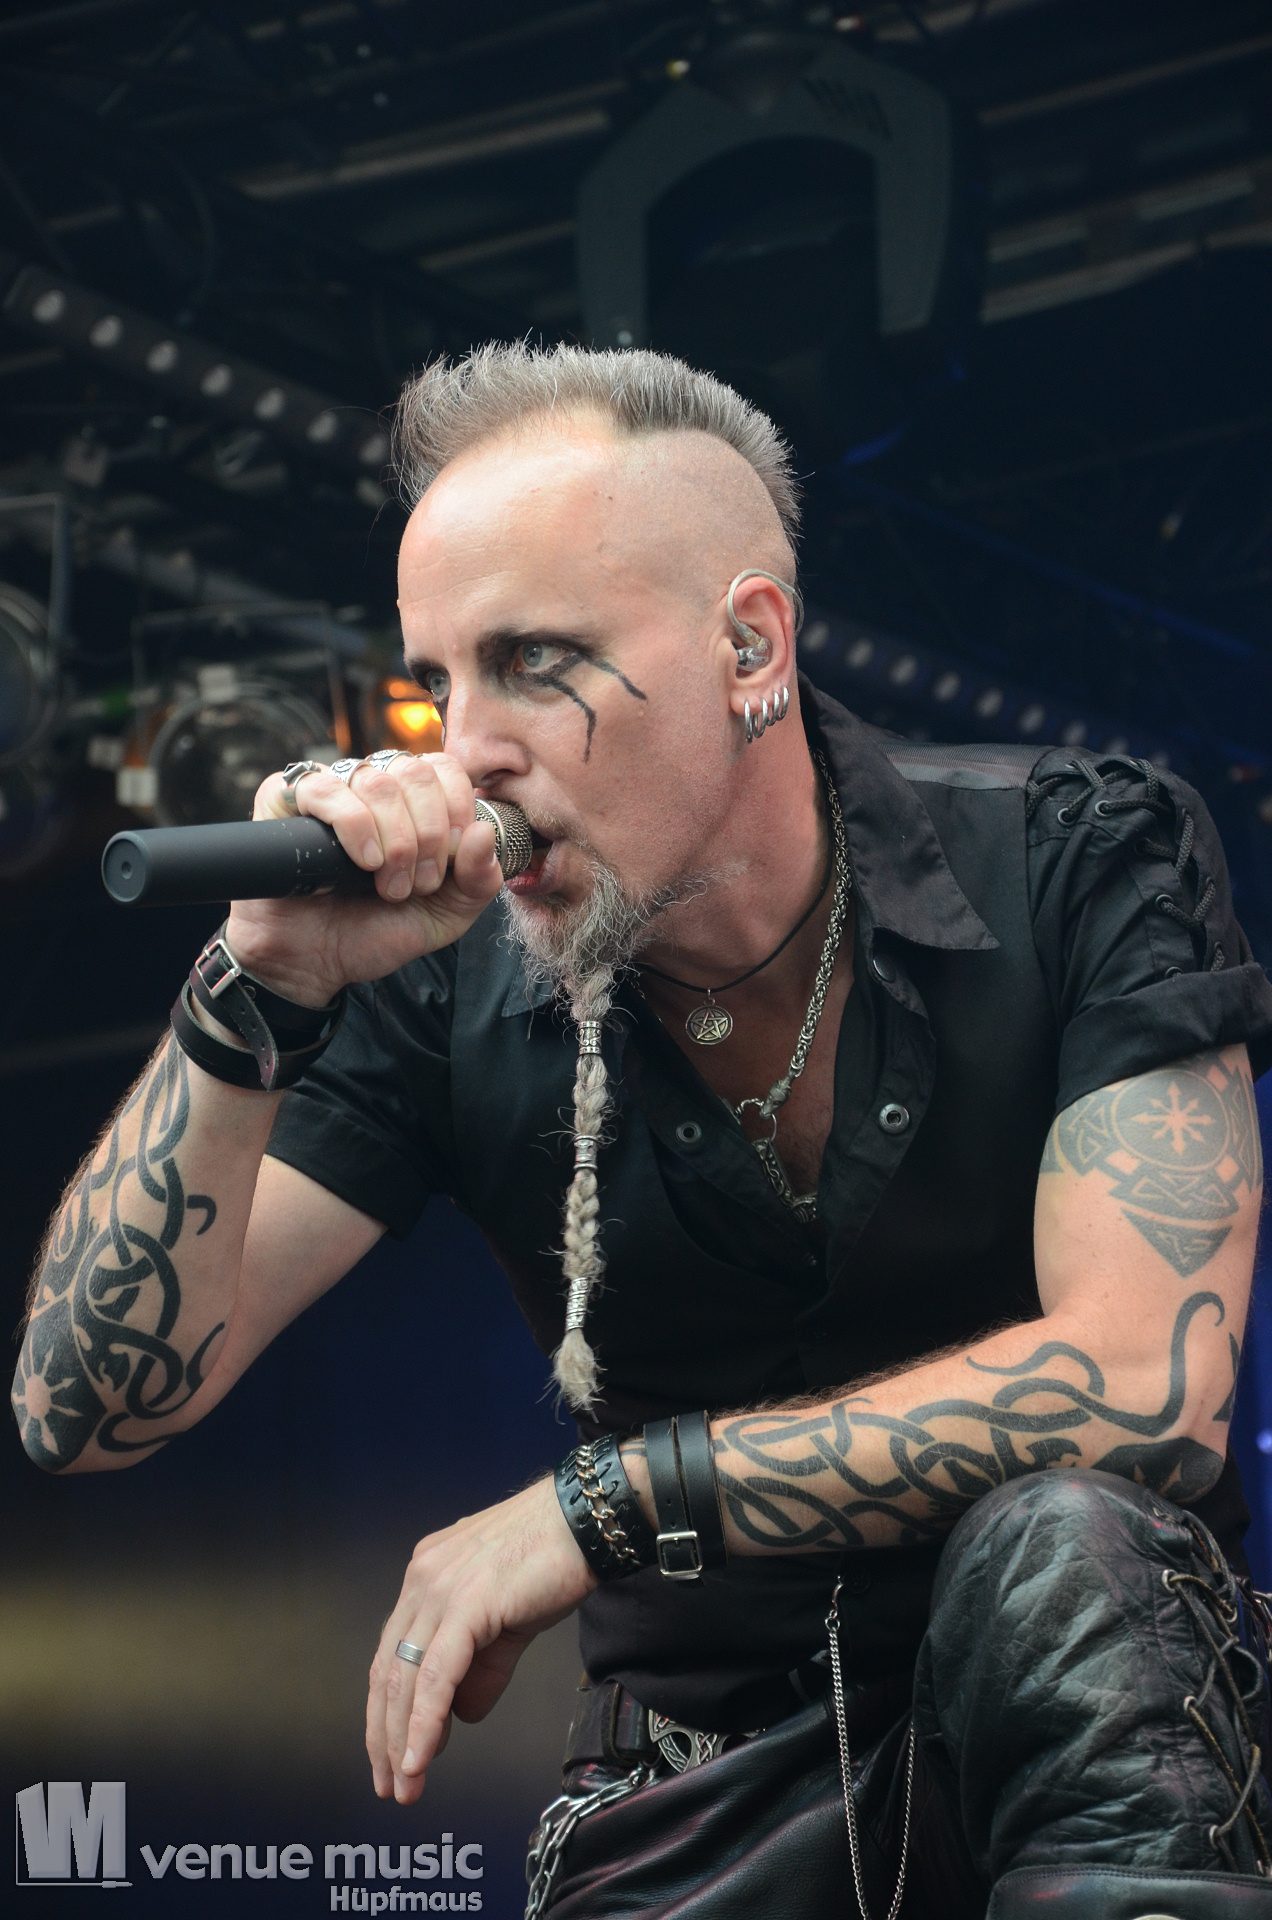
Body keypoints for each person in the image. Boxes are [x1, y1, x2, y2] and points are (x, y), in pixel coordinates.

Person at [13, 342, 1272, 1920]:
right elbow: (83, 1409)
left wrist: (600, 1506)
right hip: (698, 1804)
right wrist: (251, 991)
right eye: (440, 682)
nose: (467, 746)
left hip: (1103, 1753)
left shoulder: (1077, 858)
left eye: (534, 661)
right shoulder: (434, 987)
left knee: (1066, 1544)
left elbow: (1149, 1386)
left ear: (751, 648)